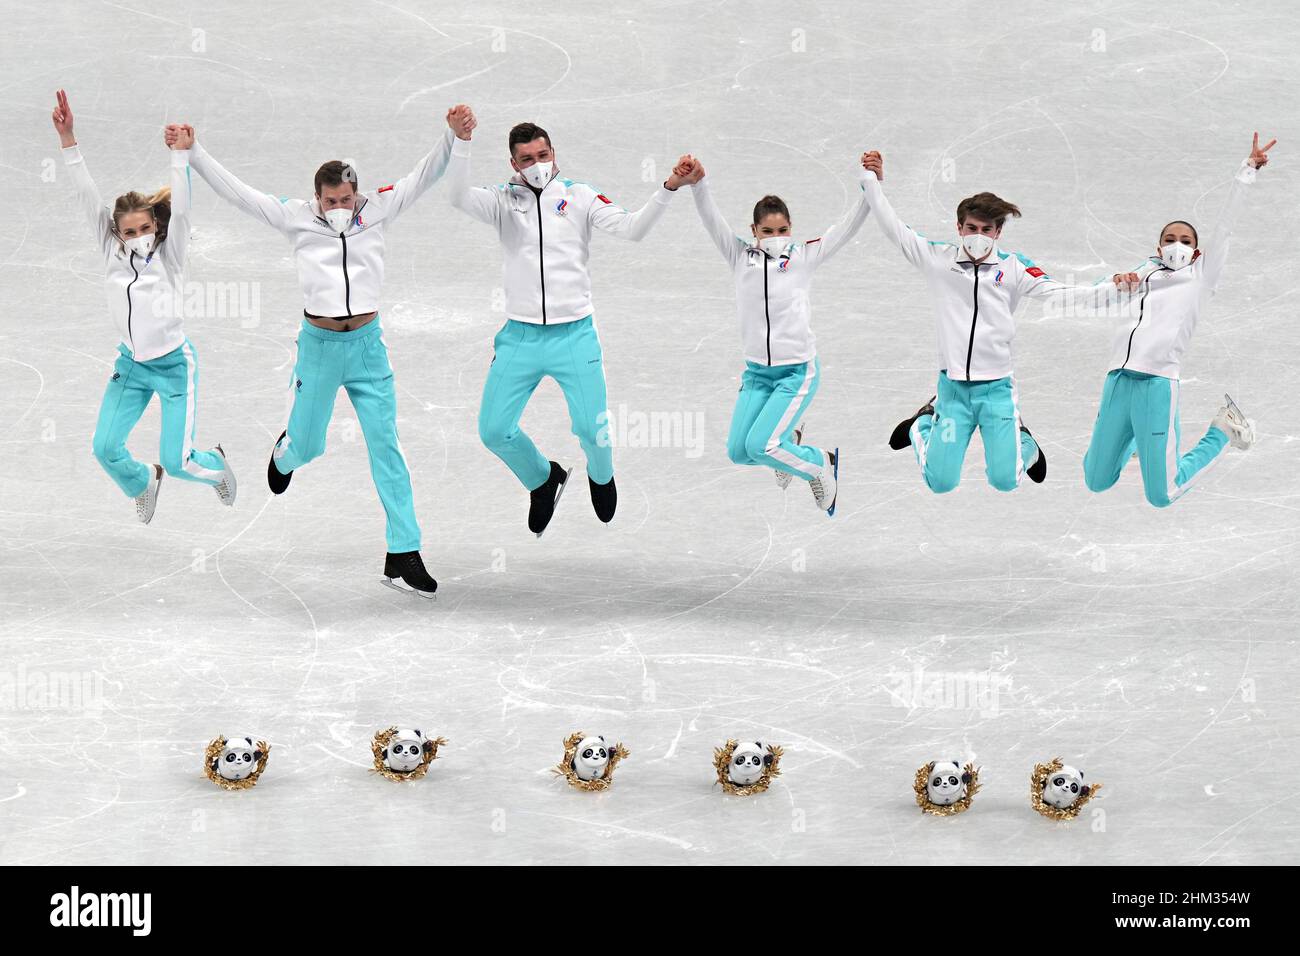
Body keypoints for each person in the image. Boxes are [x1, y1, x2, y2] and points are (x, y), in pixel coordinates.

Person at [166, 107, 471, 597]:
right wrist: (193, 152)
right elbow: (239, 194)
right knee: (310, 445)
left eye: (347, 199)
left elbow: (423, 175)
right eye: (331, 200)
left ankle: (404, 551)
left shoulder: (379, 208)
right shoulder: (296, 217)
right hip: (320, 348)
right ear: (317, 197)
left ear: (357, 194)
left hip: (370, 349)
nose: (340, 207)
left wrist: (452, 138)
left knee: (386, 448)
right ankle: (285, 454)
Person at [446, 108, 687, 536]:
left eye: (543, 154)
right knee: (493, 430)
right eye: (526, 158)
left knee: (592, 430)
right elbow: (459, 196)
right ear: (513, 164)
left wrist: (668, 187)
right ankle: (543, 479)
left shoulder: (579, 196)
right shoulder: (503, 199)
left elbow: (632, 229)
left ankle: (601, 475)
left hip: (574, 336)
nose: (537, 164)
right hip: (519, 338)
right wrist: (461, 140)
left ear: (554, 153)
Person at [53, 89, 235, 524]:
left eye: (145, 228)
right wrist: (68, 137)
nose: (138, 236)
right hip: (131, 365)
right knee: (104, 448)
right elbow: (85, 193)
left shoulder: (171, 254)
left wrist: (180, 155)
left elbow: (184, 207)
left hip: (174, 366)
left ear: (155, 226)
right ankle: (142, 482)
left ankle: (216, 463)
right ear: (116, 233)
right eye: (129, 230)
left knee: (180, 462)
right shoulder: (110, 249)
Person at [864, 150, 1085, 494]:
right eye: (970, 228)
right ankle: (921, 424)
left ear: (998, 232)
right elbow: (894, 228)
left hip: (996, 392)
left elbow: (1063, 292)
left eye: (985, 229)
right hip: (952, 393)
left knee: (1005, 479)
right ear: (959, 227)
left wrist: (1122, 288)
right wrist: (873, 183)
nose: (976, 235)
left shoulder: (1013, 267)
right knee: (940, 482)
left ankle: (1023, 441)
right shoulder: (939, 259)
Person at [1080, 132, 1275, 507]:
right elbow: (1099, 293)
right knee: (1096, 479)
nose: (1177, 245)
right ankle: (1138, 440)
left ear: (1196, 250)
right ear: (1158, 248)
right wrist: (1116, 280)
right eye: (1170, 238)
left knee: (1163, 494)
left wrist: (1246, 171)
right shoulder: (1142, 273)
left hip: (1157, 385)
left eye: (1185, 240)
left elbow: (1225, 227)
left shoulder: (1201, 276)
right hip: (1117, 382)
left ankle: (1223, 431)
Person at [676, 152, 875, 515]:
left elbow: (846, 228)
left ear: (791, 228)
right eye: (767, 231)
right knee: (740, 452)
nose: (776, 237)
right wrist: (699, 184)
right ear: (753, 231)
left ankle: (818, 463)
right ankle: (792, 442)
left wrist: (870, 185)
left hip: (796, 373)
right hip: (756, 375)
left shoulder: (803, 257)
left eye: (782, 230)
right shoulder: (740, 256)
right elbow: (711, 219)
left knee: (763, 446)